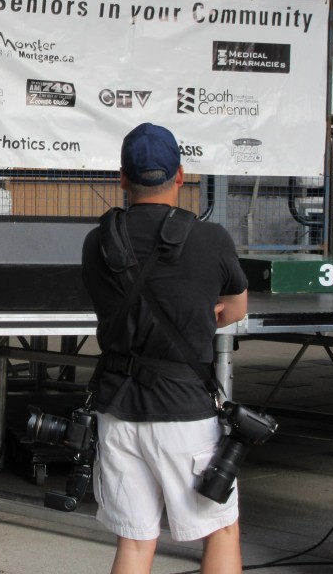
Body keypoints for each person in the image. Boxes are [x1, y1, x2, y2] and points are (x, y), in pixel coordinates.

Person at [81, 123, 249, 574]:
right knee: (220, 530)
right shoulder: (211, 239)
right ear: (180, 175)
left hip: (118, 407)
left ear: (122, 178)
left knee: (135, 543)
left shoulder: (97, 242)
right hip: (184, 412)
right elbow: (233, 309)